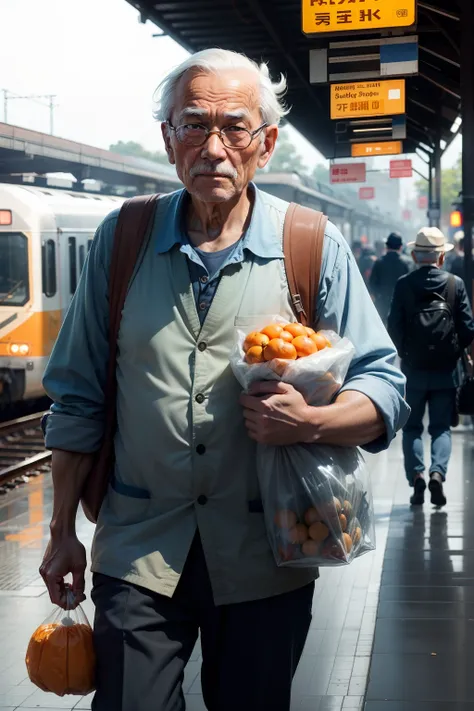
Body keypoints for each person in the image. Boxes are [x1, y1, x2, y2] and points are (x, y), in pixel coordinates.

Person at [39, 48, 409, 711]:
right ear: (167, 139)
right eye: (193, 125)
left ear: (265, 144)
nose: (213, 146)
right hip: (139, 548)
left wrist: (313, 421)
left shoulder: (310, 245)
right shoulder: (121, 242)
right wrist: (62, 530)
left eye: (234, 127)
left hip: (271, 549)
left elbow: (384, 386)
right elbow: (77, 399)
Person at [388, 227, 474, 508]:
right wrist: (451, 351)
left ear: (414, 255)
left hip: (413, 371)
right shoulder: (455, 284)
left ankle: (417, 477)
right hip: (446, 373)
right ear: (441, 258)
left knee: (412, 427)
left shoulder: (404, 284)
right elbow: (468, 329)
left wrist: (406, 354)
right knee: (441, 428)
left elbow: (394, 327)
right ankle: (437, 472)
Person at [368, 232, 410, 324]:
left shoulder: (379, 262)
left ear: (386, 246)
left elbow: (372, 284)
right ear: (400, 247)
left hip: (382, 305)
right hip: (402, 307)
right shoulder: (407, 263)